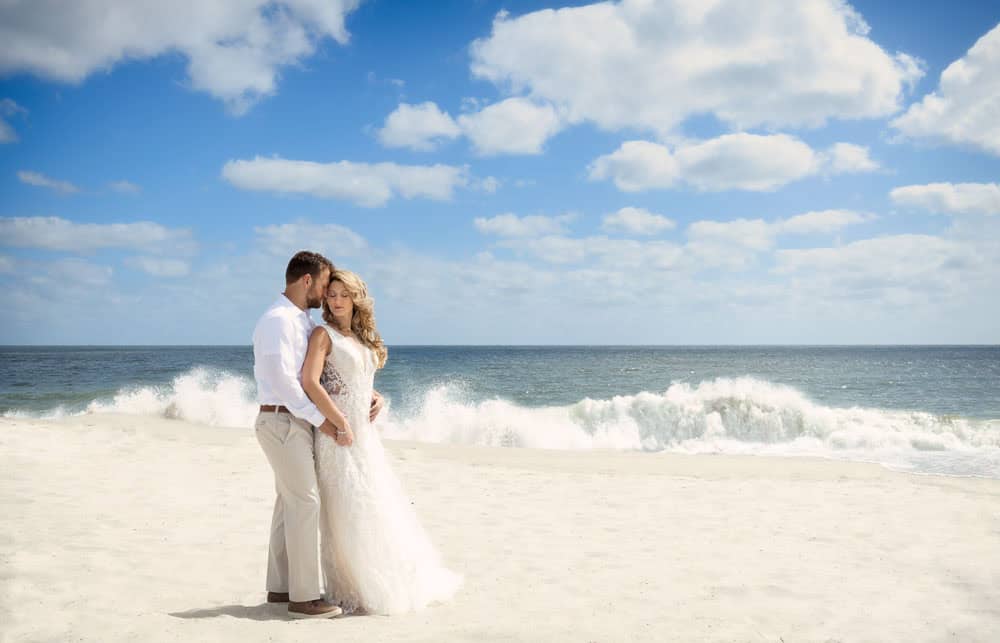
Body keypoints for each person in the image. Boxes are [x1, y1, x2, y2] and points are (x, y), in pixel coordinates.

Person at [301, 268, 461, 615]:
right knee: (346, 510)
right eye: (332, 294)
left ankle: (381, 581)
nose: (337, 300)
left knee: (374, 503)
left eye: (344, 294)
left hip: (365, 435)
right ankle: (351, 587)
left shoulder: (360, 338)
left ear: (357, 298)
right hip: (337, 436)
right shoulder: (322, 334)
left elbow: (353, 378)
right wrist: (339, 421)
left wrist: (377, 397)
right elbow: (311, 382)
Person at [252, 251, 383, 619]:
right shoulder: (278, 321)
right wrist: (328, 421)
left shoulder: (303, 322)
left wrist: (367, 393)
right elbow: (288, 384)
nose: (328, 294)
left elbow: (333, 370)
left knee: (288, 502)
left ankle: (280, 588)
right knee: (306, 502)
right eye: (325, 285)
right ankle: (305, 597)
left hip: (296, 421)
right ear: (307, 281)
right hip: (281, 420)